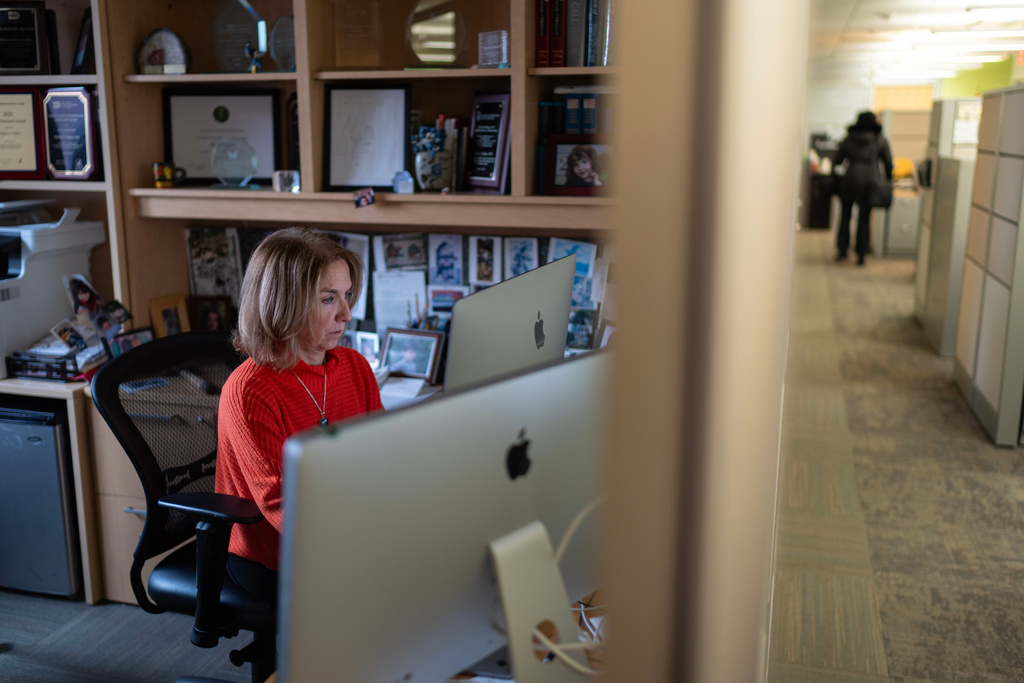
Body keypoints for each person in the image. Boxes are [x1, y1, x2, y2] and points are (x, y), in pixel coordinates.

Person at [215, 228, 383, 602]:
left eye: (347, 295)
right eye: (328, 299)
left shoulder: (354, 367)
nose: (347, 314)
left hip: (345, 531)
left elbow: (381, 456)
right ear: (285, 304)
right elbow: (284, 506)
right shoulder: (250, 391)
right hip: (275, 557)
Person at [832, 111, 893, 265]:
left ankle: (842, 250)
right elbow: (888, 163)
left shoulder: (848, 138)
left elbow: (837, 161)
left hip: (849, 180)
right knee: (864, 219)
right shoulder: (879, 140)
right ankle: (861, 254)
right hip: (870, 182)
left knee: (845, 216)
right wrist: (888, 180)